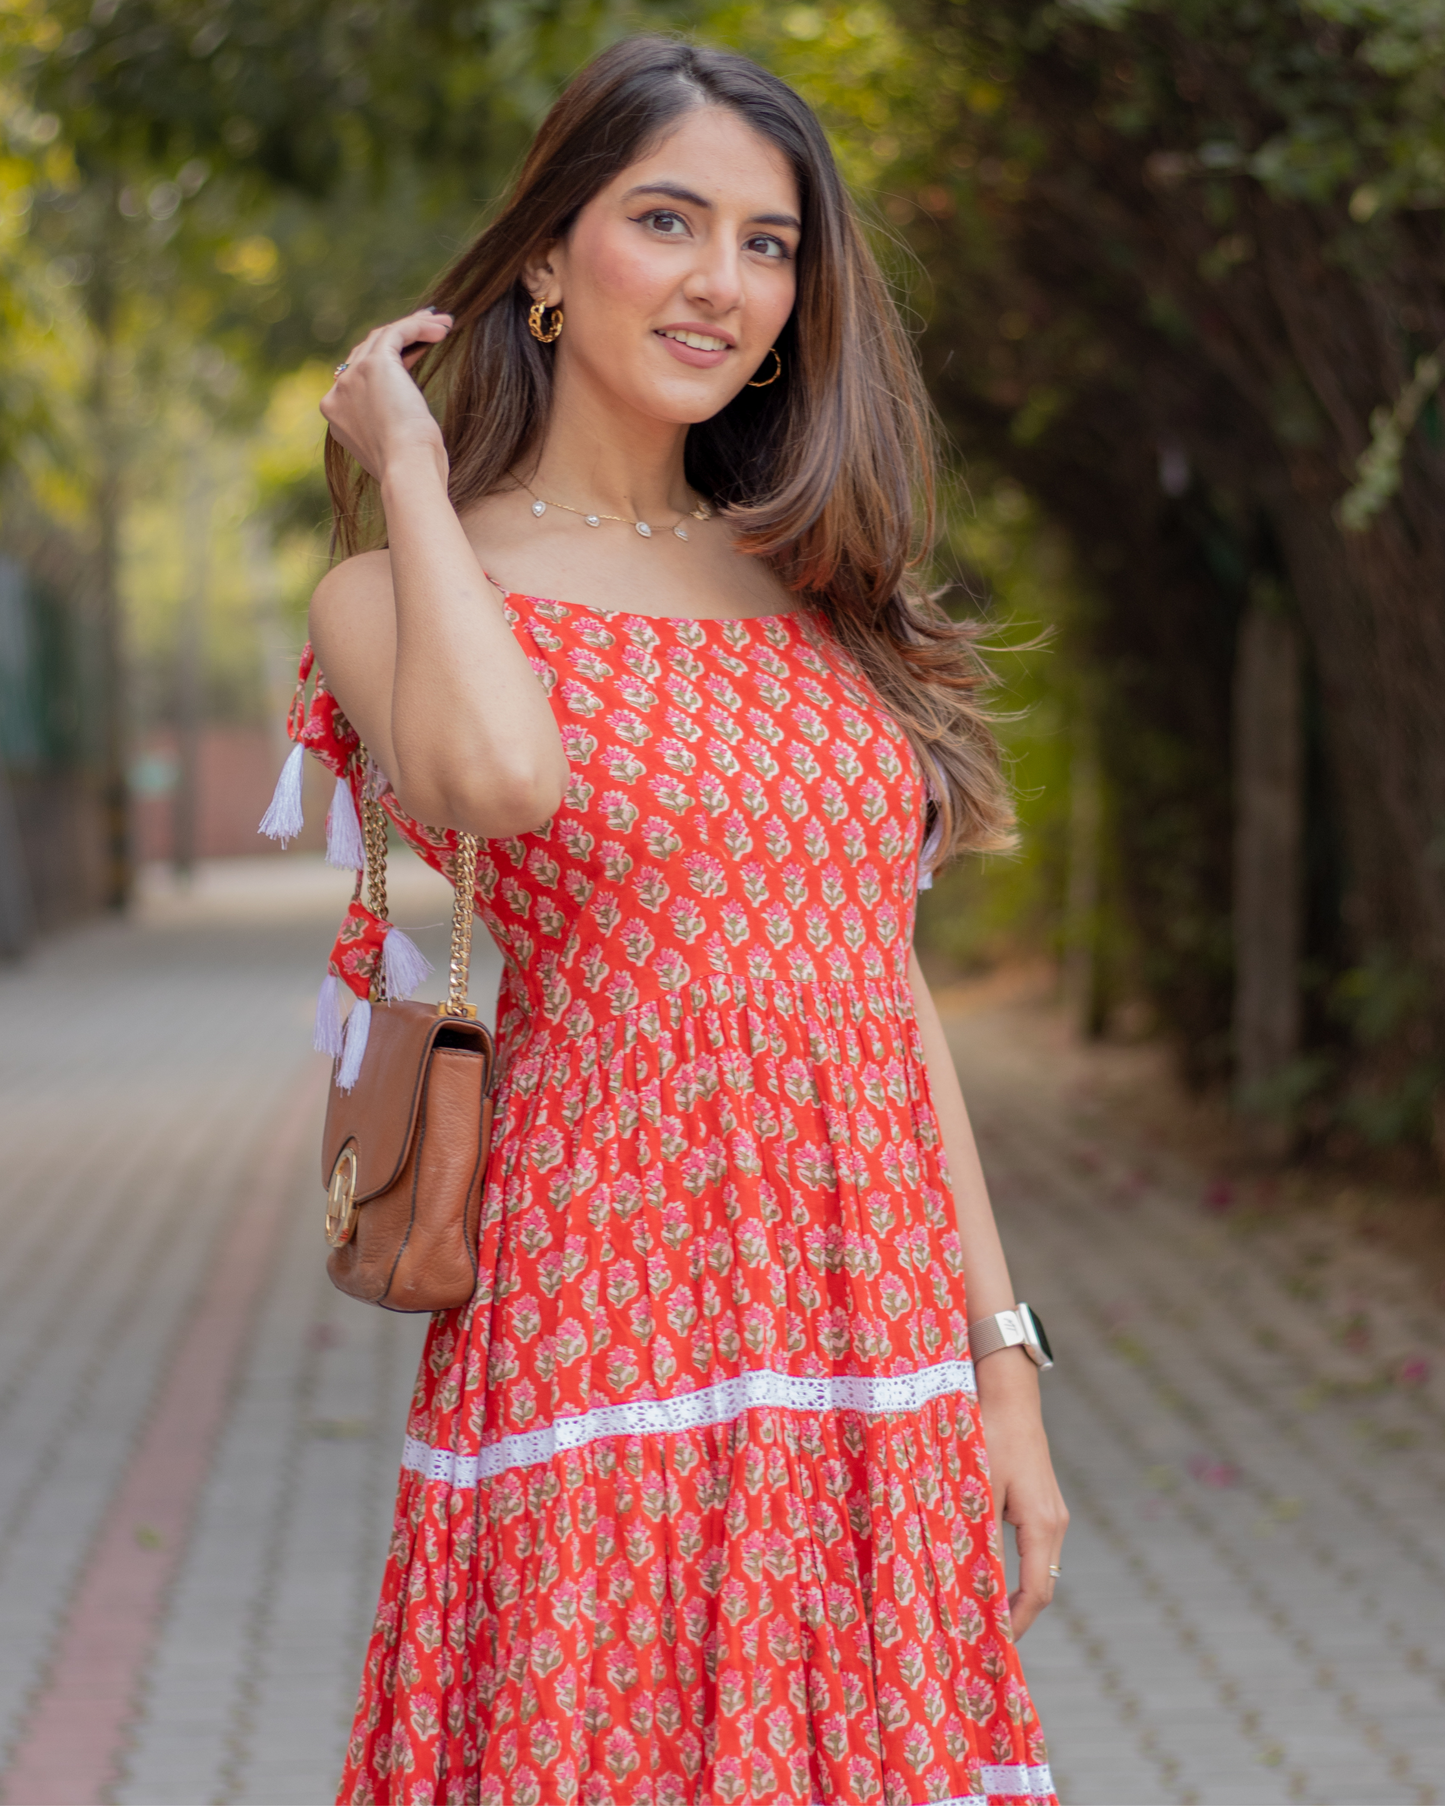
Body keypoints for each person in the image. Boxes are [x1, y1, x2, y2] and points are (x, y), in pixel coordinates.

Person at [308, 35, 1067, 1806]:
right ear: (552, 261)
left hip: (861, 1320)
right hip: (606, 1313)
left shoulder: (818, 580)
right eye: (667, 220)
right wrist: (414, 480)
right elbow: (494, 783)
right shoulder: (396, 590)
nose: (723, 283)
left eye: (769, 242)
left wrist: (1001, 1360)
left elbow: (883, 990)